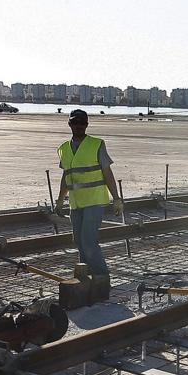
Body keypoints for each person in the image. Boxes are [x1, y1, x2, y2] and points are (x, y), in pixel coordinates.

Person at [55, 109, 122, 297]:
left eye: (82, 123)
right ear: (69, 124)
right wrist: (60, 200)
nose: (79, 126)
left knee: (89, 242)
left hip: (94, 201)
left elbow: (107, 173)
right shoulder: (63, 149)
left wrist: (116, 198)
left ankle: (102, 280)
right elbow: (65, 176)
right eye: (75, 122)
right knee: (79, 242)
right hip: (76, 203)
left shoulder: (96, 144)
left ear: (87, 125)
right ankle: (87, 279)